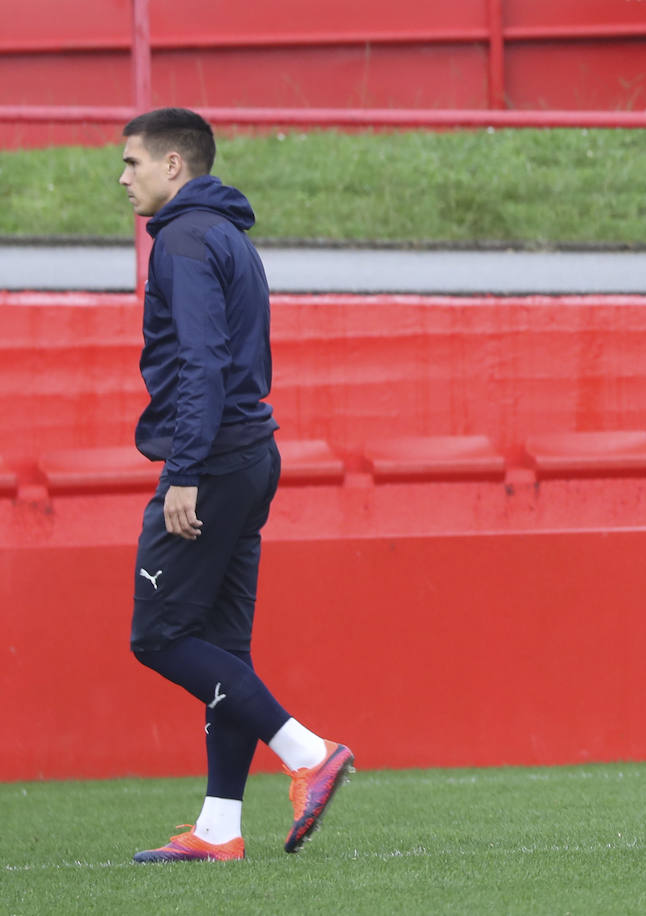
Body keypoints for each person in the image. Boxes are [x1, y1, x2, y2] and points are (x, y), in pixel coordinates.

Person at [119, 107, 353, 863]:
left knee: (158, 636)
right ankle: (219, 829)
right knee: (223, 647)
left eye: (133, 163)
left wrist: (183, 470)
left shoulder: (184, 240)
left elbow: (202, 361)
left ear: (174, 166)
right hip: (252, 454)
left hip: (213, 462)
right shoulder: (228, 234)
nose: (123, 178)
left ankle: (308, 752)